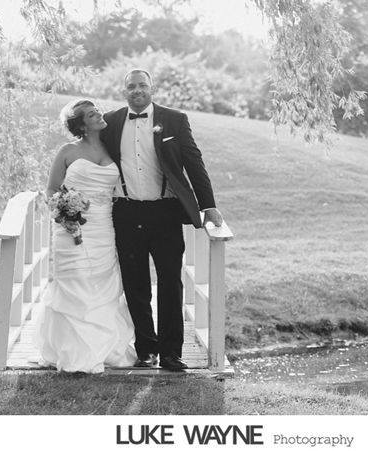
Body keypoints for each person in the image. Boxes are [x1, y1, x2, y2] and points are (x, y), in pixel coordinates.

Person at [100, 68, 223, 371]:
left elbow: (194, 163)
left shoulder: (175, 120)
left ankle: (171, 352)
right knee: (135, 282)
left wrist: (208, 205)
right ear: (124, 90)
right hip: (127, 212)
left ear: (152, 88)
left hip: (166, 211)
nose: (137, 91)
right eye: (131, 86)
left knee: (170, 281)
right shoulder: (111, 122)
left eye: (143, 85)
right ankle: (146, 349)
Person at [33, 99, 137, 373]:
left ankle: (106, 349)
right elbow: (52, 189)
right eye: (92, 114)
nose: (98, 115)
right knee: (76, 282)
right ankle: (74, 352)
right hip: (72, 227)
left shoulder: (112, 147)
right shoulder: (68, 151)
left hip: (104, 225)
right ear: (81, 125)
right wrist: (67, 208)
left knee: (103, 282)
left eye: (97, 111)